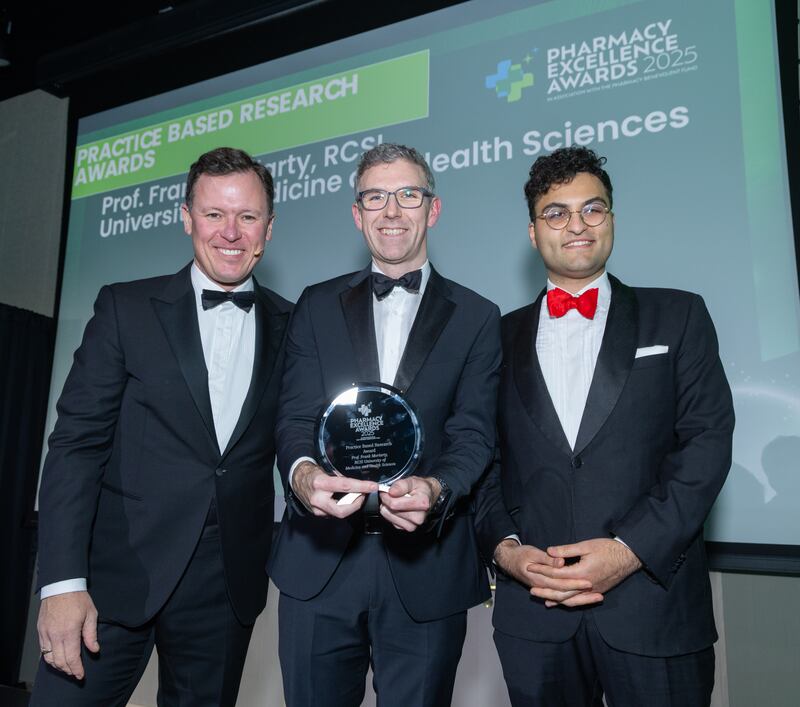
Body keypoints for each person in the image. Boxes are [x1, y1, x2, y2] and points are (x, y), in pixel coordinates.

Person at [474, 146, 734, 707]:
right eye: (557, 212)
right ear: (532, 231)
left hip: (654, 609)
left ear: (611, 219)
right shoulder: (492, 337)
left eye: (593, 209)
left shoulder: (680, 315)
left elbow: (706, 445)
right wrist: (507, 550)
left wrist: (628, 550)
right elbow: (480, 457)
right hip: (535, 617)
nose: (577, 225)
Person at [32, 147, 292, 706]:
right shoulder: (126, 308)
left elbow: (298, 441)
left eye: (247, 216)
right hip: (107, 582)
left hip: (223, 592)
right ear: (186, 218)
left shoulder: (295, 326)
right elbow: (75, 448)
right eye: (214, 214)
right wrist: (61, 583)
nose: (231, 232)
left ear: (268, 228)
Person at [269, 143, 501, 707]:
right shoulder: (315, 305)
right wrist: (303, 477)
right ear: (357, 212)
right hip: (320, 564)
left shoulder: (478, 317)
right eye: (375, 196)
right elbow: (295, 417)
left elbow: (474, 434)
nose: (391, 210)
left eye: (407, 195)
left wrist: (436, 487)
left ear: (433, 209)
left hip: (426, 568)